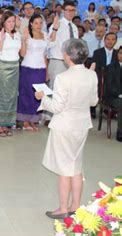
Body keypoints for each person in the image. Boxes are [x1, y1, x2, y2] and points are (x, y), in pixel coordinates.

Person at [35, 39, 98, 219]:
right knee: (76, 166)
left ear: (68, 56)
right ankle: (75, 206)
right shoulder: (91, 75)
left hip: (64, 126)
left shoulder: (63, 78)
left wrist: (42, 97)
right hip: (82, 124)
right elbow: (93, 101)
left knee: (64, 168)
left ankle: (63, 208)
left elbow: (56, 107)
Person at [0, 11, 22, 136]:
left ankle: (6, 123)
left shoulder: (17, 34)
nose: (11, 24)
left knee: (11, 96)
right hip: (1, 67)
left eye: (13, 21)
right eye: (8, 21)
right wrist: (1, 39)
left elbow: (19, 51)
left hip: (14, 68)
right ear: (3, 22)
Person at [17, 14, 48, 131]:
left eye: (41, 22)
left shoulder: (45, 35)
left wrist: (46, 70)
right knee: (27, 94)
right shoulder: (27, 35)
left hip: (40, 68)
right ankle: (25, 121)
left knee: (38, 94)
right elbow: (23, 54)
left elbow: (45, 55)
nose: (38, 25)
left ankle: (34, 120)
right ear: (31, 24)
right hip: (28, 67)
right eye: (36, 23)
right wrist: (24, 41)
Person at [47, 1, 79, 89]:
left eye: (73, 10)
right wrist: (55, 29)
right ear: (63, 11)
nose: (70, 12)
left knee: (68, 89)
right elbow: (49, 44)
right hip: (58, 61)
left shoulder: (74, 27)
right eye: (68, 10)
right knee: (55, 88)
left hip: (71, 62)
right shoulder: (57, 24)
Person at [105, 47, 121, 141]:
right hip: (113, 96)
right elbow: (109, 87)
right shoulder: (111, 67)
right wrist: (120, 94)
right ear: (117, 54)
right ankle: (120, 131)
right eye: (120, 53)